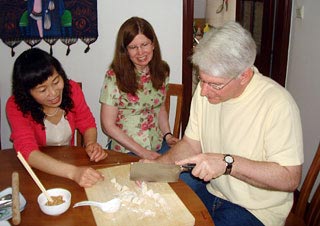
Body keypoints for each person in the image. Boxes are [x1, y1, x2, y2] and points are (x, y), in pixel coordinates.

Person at [144, 22, 304, 226]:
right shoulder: (206, 92)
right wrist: (156, 169)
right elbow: (192, 144)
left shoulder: (278, 105)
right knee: (154, 207)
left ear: (244, 76)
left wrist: (228, 163)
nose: (203, 91)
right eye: (202, 80)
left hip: (257, 211)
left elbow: (290, 179)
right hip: (213, 191)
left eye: (215, 85)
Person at [6, 48, 108, 188]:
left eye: (56, 81)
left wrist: (90, 143)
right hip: (38, 171)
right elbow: (27, 151)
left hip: (70, 163)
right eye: (42, 90)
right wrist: (73, 173)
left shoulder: (71, 89)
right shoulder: (15, 106)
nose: (53, 93)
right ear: (27, 93)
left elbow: (86, 122)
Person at [99, 17, 178, 160]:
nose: (140, 52)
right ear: (125, 50)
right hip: (126, 151)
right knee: (149, 181)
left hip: (158, 146)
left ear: (153, 44)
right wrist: (143, 152)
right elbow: (107, 126)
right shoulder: (114, 76)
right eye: (133, 47)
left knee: (188, 178)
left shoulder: (162, 70)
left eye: (145, 44)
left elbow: (160, 108)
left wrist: (168, 135)